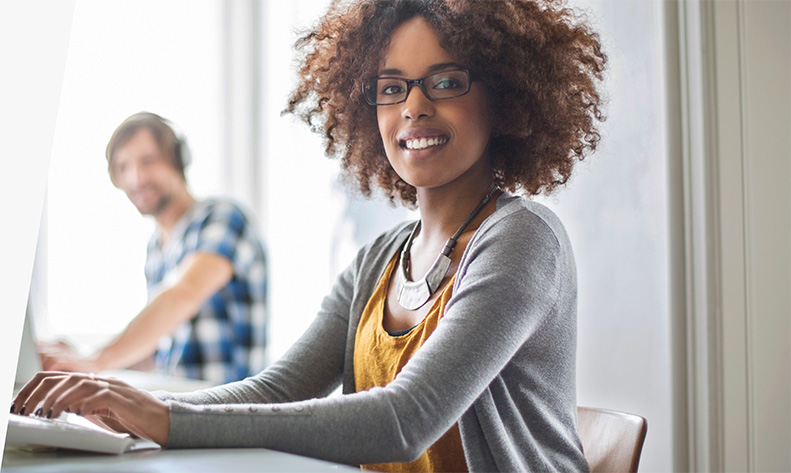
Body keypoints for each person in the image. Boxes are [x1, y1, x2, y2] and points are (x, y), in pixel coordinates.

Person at [13, 1, 606, 470]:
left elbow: (403, 420)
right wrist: (121, 405)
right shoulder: (379, 260)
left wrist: (162, 419)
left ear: (502, 98)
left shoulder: (521, 239)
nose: (413, 108)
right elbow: (276, 388)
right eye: (391, 86)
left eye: (446, 82)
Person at [38, 112, 268, 385]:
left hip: (229, 412)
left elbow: (183, 294)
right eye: (123, 167)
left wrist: (97, 361)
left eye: (148, 161)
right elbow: (157, 353)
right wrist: (77, 357)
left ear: (178, 160)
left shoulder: (221, 217)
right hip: (179, 405)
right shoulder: (156, 247)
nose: (136, 179)